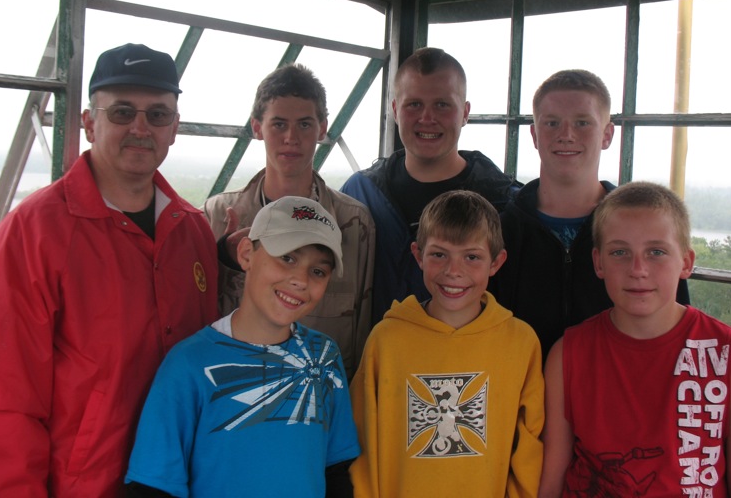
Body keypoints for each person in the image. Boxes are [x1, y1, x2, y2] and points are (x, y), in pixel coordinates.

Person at [0, 43, 219, 496]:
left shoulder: (193, 232)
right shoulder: (32, 234)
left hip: (180, 480)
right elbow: (1, 402)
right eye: (122, 112)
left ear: (174, 129)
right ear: (89, 123)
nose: (140, 128)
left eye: (158, 115)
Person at [539, 181, 731, 497]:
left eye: (656, 252)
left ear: (686, 262)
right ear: (598, 262)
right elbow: (551, 483)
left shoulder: (730, 356)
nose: (638, 269)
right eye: (620, 252)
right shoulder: (568, 354)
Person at [125, 196, 360, 497]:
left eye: (318, 271)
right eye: (287, 258)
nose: (300, 280)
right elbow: (153, 485)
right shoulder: (188, 364)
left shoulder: (324, 357)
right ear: (247, 253)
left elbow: (336, 468)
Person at [350, 190, 544, 497]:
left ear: (496, 262)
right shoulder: (386, 341)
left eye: (472, 257)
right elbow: (362, 442)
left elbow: (529, 446)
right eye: (439, 254)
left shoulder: (520, 343)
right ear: (418, 255)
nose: (454, 271)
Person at [492, 69, 688, 360]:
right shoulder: (499, 231)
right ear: (534, 134)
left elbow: (676, 328)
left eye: (582, 122)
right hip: (518, 386)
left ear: (607, 134)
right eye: (552, 123)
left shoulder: (644, 230)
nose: (566, 135)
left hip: (617, 385)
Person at [203, 63, 375, 379]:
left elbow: (362, 328)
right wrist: (224, 259)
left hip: (323, 394)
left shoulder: (354, 222)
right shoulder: (217, 215)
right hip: (233, 390)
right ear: (257, 128)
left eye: (305, 124)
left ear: (322, 129)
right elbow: (198, 314)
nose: (291, 138)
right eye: (279, 124)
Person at [341, 47, 520, 323]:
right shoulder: (360, 194)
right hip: (378, 349)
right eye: (414, 104)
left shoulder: (504, 204)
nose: (427, 118)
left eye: (442, 105)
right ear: (395, 110)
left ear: (465, 113)